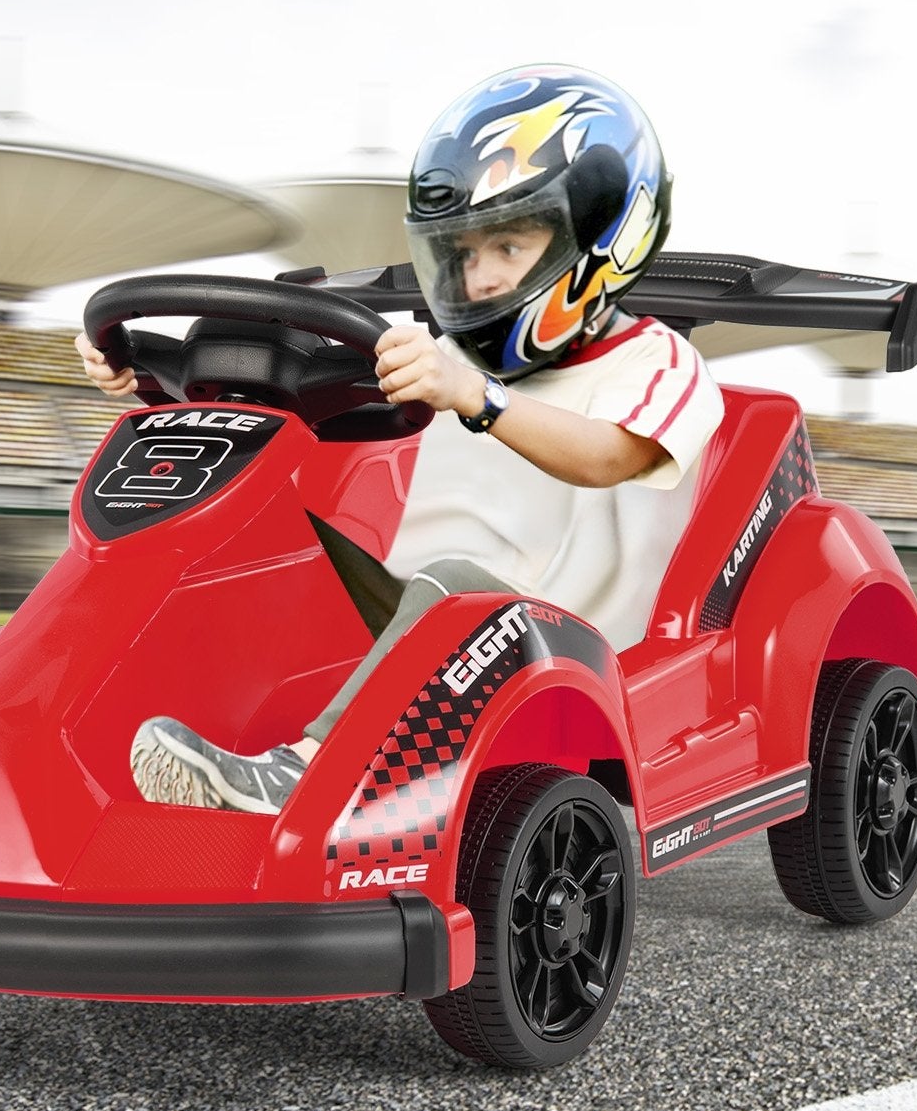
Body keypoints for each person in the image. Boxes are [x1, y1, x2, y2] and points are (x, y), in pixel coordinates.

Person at [77, 64, 725, 815]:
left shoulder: (660, 362)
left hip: (567, 640)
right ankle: (38, 713)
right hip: (421, 617)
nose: (479, 279)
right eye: (465, 253)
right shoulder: (444, 358)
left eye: (509, 248)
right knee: (261, 539)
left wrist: (471, 395)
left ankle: (300, 777)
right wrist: (153, 375)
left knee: (455, 582)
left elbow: (610, 454)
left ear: (601, 240)